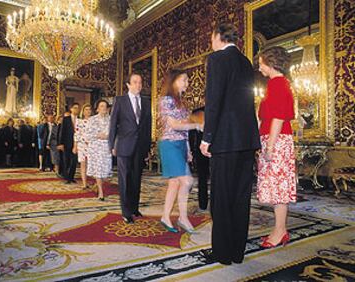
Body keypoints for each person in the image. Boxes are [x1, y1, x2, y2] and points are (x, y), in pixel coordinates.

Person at [199, 23, 261, 265]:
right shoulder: (246, 62)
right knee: (241, 197)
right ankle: (237, 251)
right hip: (247, 139)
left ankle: (223, 253)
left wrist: (207, 137)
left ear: (218, 37)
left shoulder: (217, 59)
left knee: (222, 197)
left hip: (225, 139)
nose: (211, 42)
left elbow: (213, 101)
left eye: (211, 37)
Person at [257, 46, 296, 248]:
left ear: (271, 63)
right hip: (275, 139)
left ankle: (280, 231)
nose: (260, 67)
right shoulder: (278, 83)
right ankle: (280, 229)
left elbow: (279, 117)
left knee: (279, 188)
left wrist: (270, 146)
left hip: (277, 140)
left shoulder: (277, 83)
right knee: (277, 187)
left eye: (261, 63)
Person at [158, 69, 202, 233]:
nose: (187, 83)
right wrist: (197, 125)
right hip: (169, 144)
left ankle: (165, 216)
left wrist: (189, 149)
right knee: (187, 181)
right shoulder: (166, 100)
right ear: (174, 81)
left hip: (181, 144)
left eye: (187, 80)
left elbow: (183, 130)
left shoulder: (181, 103)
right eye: (184, 79)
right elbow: (174, 125)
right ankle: (183, 218)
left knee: (175, 182)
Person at [109, 73, 152, 224]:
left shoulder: (146, 102)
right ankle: (126, 212)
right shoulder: (120, 100)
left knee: (136, 179)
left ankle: (134, 207)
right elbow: (113, 124)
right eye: (135, 82)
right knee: (125, 179)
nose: (138, 85)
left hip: (140, 147)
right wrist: (111, 145)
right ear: (128, 84)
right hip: (123, 146)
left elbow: (147, 127)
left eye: (140, 82)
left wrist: (147, 148)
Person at [87, 100, 112, 200]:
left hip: (106, 148)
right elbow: (87, 134)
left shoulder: (111, 120)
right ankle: (101, 192)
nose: (103, 108)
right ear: (97, 108)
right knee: (98, 169)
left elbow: (115, 133)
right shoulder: (92, 120)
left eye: (105, 106)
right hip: (95, 147)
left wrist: (108, 136)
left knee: (105, 172)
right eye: (101, 106)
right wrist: (98, 135)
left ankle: (98, 185)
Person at [59, 103, 80, 184]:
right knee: (66, 160)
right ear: (71, 109)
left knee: (74, 161)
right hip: (66, 143)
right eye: (75, 108)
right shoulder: (66, 119)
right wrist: (61, 143)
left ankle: (71, 177)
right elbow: (62, 131)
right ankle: (67, 177)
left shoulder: (80, 119)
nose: (76, 109)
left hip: (76, 143)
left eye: (78, 108)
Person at [77, 104, 92, 189]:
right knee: (83, 165)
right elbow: (77, 134)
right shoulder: (79, 121)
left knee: (92, 164)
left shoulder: (94, 121)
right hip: (82, 145)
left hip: (92, 145)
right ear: (83, 111)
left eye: (89, 109)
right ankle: (84, 183)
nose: (88, 111)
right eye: (86, 109)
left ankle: (95, 182)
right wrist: (75, 146)